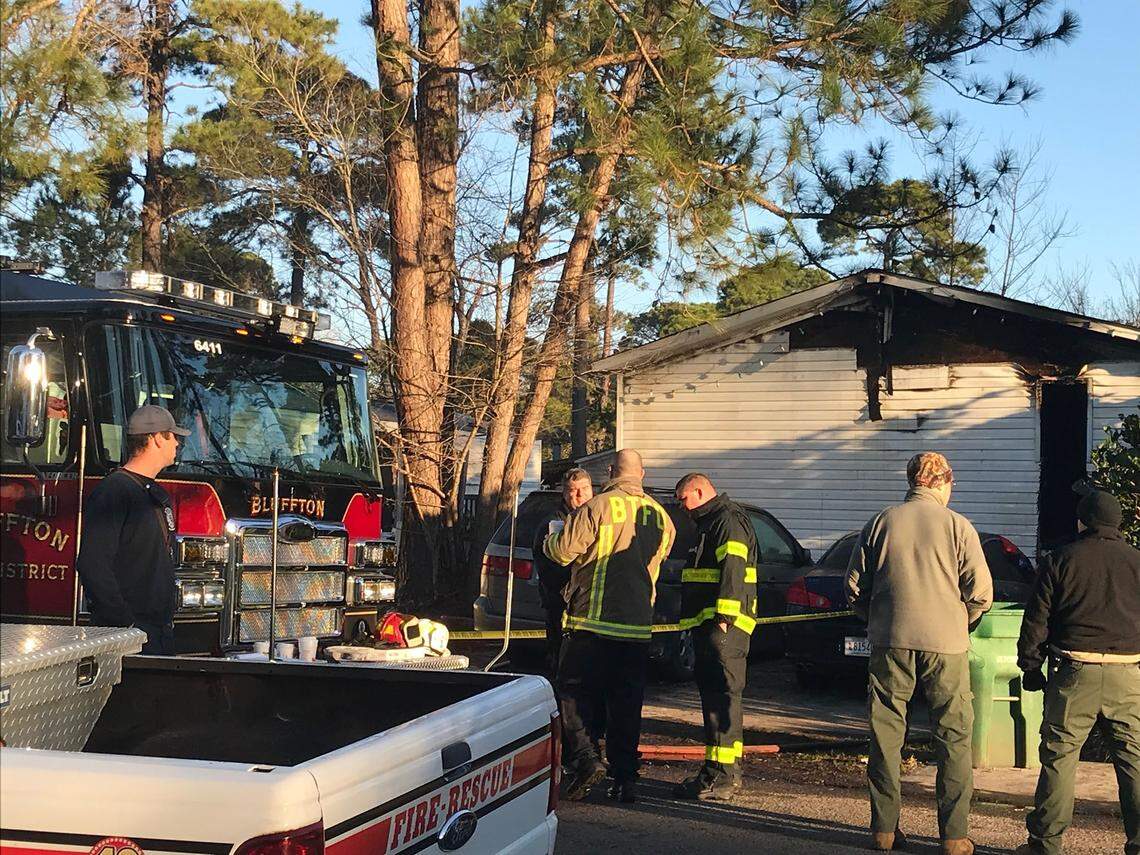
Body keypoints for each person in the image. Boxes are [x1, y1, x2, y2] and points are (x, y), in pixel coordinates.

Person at [845, 452, 993, 855]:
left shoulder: (881, 522)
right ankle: (954, 836)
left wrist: (877, 617)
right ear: (944, 481)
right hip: (946, 645)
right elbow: (981, 593)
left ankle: (883, 831)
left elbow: (854, 587)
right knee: (953, 738)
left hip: (890, 640)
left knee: (886, 734)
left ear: (912, 482)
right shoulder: (958, 526)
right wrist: (960, 621)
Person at [543, 449, 675, 803]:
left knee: (573, 695)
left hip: (592, 623)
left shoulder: (597, 507)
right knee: (626, 704)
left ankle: (587, 759)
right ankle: (625, 778)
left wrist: (551, 538)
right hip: (637, 628)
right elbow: (658, 559)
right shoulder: (662, 516)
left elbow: (561, 552)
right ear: (642, 474)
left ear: (612, 471)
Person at [1014, 489, 1140, 855]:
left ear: (1083, 522)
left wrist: (1031, 666)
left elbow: (1036, 620)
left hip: (1073, 672)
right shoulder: (1136, 562)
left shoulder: (1060, 560)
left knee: (1060, 757)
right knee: (1133, 760)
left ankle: (1046, 843)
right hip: (1127, 674)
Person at [671, 472, 758, 801]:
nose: (682, 507)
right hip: (710, 626)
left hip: (723, 629)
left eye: (684, 499)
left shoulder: (727, 521)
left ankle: (722, 776)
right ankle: (719, 771)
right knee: (716, 700)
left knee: (722, 699)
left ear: (699, 491)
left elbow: (733, 569)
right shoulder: (710, 523)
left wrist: (724, 617)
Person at [77, 405, 189, 655]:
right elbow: (92, 564)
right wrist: (124, 624)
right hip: (128, 637)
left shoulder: (155, 494)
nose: (177, 444)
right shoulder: (114, 491)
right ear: (156, 438)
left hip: (158, 632)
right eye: (173, 436)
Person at [533, 468, 594, 675]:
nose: (580, 495)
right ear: (564, 493)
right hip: (562, 605)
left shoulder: (597, 518)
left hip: (591, 608)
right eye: (573, 490)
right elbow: (549, 569)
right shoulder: (554, 524)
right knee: (563, 664)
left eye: (584, 488)